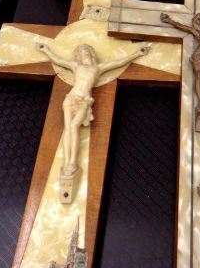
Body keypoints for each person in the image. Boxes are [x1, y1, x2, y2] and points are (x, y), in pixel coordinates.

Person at [36, 42, 150, 177]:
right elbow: (58, 60)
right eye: (80, 51)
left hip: (84, 101)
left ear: (91, 52)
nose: (83, 52)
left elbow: (118, 63)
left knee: (73, 127)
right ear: (78, 55)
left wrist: (137, 54)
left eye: (85, 49)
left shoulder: (98, 68)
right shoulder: (76, 66)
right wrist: (45, 50)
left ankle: (72, 162)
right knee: (68, 129)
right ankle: (66, 162)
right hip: (70, 98)